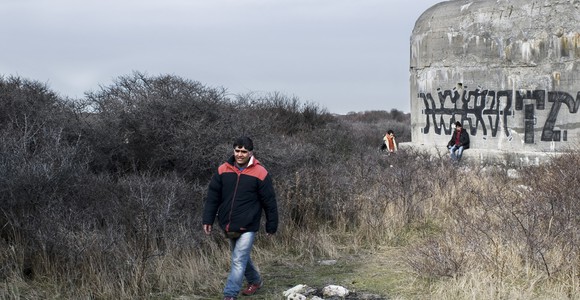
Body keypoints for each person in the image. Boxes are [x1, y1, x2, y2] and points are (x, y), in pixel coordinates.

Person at [202, 136, 278, 300]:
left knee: (237, 259)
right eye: (237, 151)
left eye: (244, 151)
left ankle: (230, 295)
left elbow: (269, 201)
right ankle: (255, 281)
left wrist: (271, 225)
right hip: (229, 224)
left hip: (249, 225)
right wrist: (208, 219)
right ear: (233, 150)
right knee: (241, 257)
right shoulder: (223, 169)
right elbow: (213, 197)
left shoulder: (261, 172)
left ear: (251, 152)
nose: (240, 154)